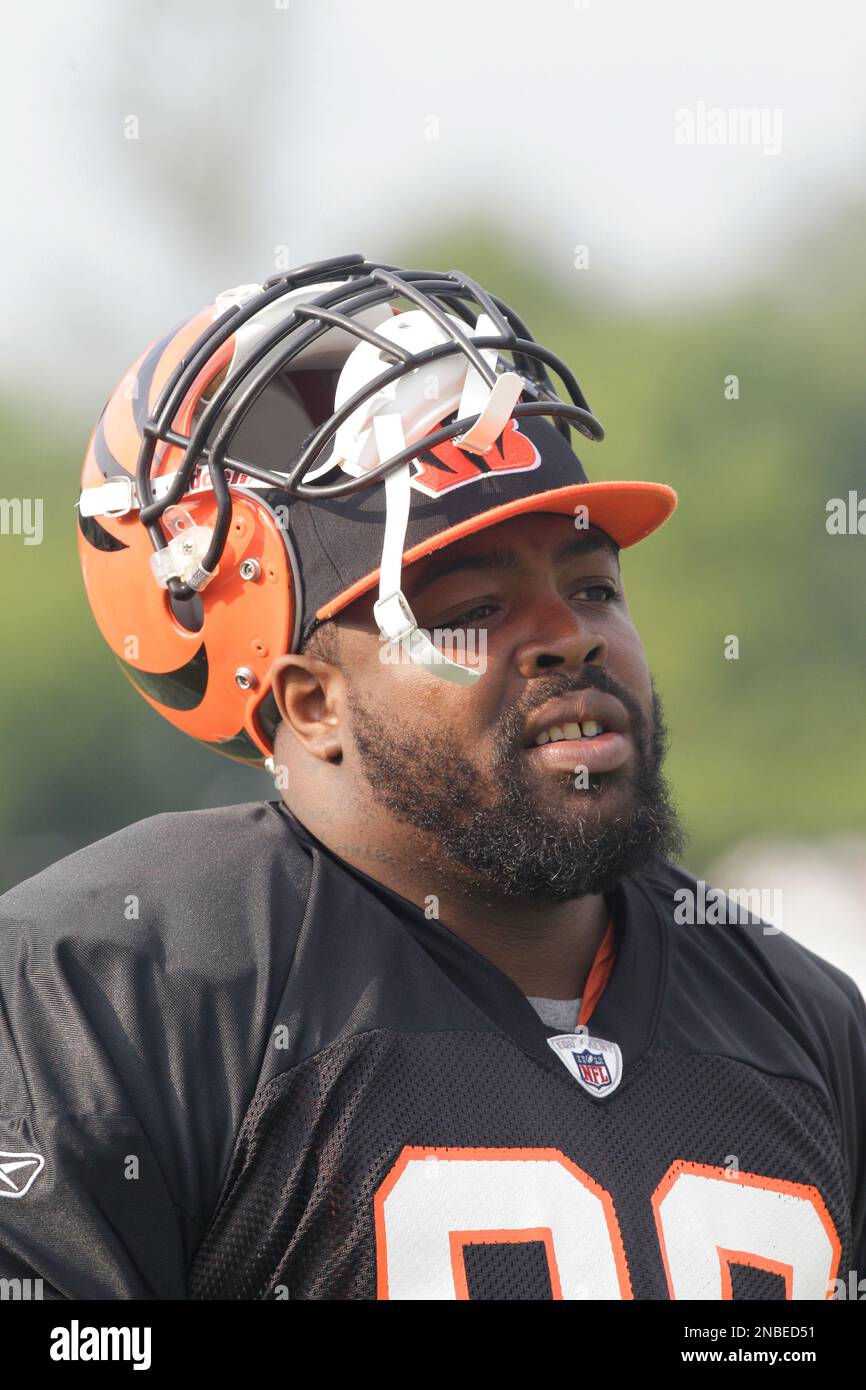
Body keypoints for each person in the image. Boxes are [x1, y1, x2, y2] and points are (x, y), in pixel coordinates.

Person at [0, 257, 863, 1300]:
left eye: (590, 586)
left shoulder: (801, 1019)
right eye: (474, 609)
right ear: (312, 701)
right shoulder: (113, 988)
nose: (569, 639)